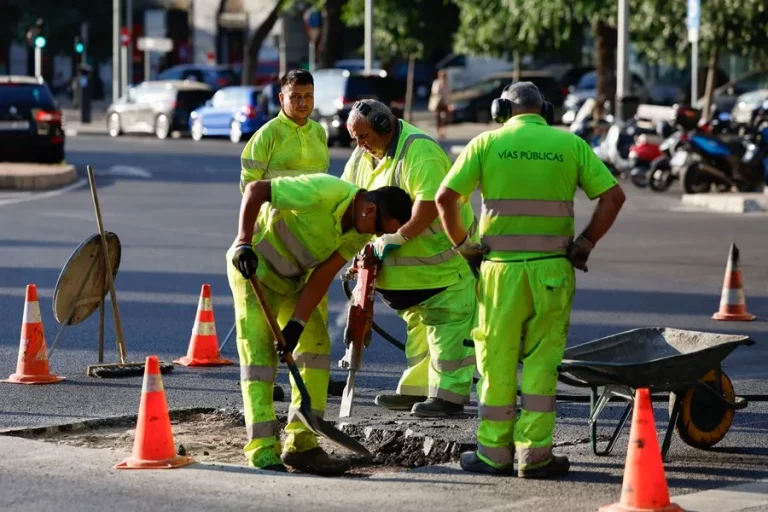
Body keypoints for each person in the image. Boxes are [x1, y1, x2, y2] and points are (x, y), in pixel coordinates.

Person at [435, 82, 626, 479]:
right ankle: (535, 456)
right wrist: (585, 243)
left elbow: (445, 198)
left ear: (501, 109)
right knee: (542, 363)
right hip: (552, 271)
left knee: (496, 361)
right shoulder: (569, 145)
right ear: (546, 110)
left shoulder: (486, 143)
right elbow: (613, 197)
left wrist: (464, 246)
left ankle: (493, 454)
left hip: (500, 272)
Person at [227, 173, 413, 475]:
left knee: (314, 352)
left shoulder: (360, 231)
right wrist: (242, 242)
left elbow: (323, 274)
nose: (377, 236)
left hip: (295, 280)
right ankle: (261, 450)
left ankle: (302, 446)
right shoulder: (323, 192)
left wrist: (297, 323)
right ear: (369, 209)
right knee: (260, 357)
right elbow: (256, 189)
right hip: (254, 271)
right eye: (380, 229)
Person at [341, 99, 478, 418]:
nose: (360, 144)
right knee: (419, 328)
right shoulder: (363, 156)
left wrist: (396, 238)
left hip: (444, 267)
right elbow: (348, 199)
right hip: (408, 276)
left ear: (384, 127)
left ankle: (449, 394)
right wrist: (353, 250)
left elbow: (430, 205)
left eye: (363, 136)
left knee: (448, 325)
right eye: (355, 138)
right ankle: (418, 389)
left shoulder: (420, 151)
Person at [239, 69, 334, 399]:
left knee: (313, 311)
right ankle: (274, 379)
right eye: (296, 97)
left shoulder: (320, 133)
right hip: (275, 239)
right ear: (282, 98)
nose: (303, 103)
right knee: (270, 317)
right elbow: (248, 187)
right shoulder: (267, 136)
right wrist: (247, 238)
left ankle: (307, 381)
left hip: (313, 239)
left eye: (308, 96)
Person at [428, 70, 453, 140]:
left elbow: (449, 94)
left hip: (445, 103)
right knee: (438, 117)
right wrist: (440, 85)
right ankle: (439, 131)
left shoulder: (447, 84)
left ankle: (443, 130)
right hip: (437, 103)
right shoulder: (436, 83)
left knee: (445, 117)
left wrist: (450, 103)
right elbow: (434, 92)